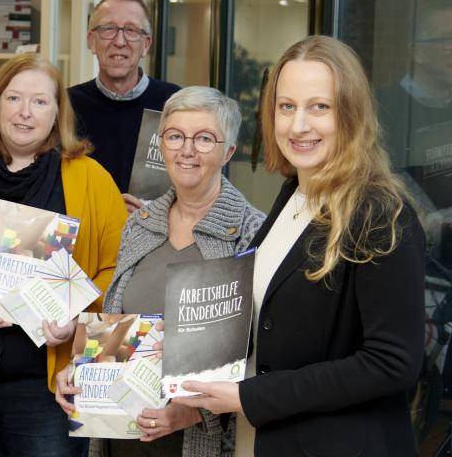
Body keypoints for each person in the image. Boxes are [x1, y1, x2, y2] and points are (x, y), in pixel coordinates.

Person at [172, 36, 427, 456]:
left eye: (319, 107)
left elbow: (392, 363)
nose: (298, 125)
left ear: (351, 114)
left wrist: (253, 396)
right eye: (286, 106)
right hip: (267, 439)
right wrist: (182, 341)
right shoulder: (294, 194)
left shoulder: (380, 213)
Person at [56, 86, 265, 456]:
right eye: (174, 136)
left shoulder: (252, 234)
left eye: (204, 138)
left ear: (229, 151)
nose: (186, 150)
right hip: (122, 437)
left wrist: (194, 412)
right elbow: (118, 325)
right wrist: (82, 371)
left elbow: (262, 357)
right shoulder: (139, 226)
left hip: (199, 443)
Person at [0, 54, 127, 457]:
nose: (25, 113)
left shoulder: (91, 178)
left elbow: (121, 268)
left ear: (58, 111)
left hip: (48, 386)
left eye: (40, 101)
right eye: (14, 98)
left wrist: (76, 319)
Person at [67, 0, 181, 212]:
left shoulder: (175, 104)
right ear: (92, 40)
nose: (119, 41)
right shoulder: (64, 106)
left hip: (154, 236)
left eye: (131, 31)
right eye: (109, 29)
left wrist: (154, 214)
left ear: (146, 45)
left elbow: (197, 182)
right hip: (84, 235)